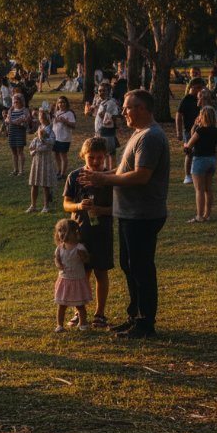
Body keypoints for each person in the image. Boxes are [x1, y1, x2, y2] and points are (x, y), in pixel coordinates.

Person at [79, 89, 170, 339]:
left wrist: (103, 180)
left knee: (141, 268)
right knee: (129, 265)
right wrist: (101, 177)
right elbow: (122, 169)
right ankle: (134, 316)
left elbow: (142, 175)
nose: (123, 112)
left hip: (143, 214)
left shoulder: (151, 136)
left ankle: (145, 322)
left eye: (128, 107)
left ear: (142, 109)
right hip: (130, 213)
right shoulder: (137, 134)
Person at [63, 136, 114, 328]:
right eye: (91, 157)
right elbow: (66, 204)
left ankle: (100, 314)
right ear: (83, 155)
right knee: (81, 275)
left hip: (102, 233)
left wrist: (100, 211)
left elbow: (118, 208)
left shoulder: (110, 178)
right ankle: (79, 311)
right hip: (79, 234)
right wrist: (78, 205)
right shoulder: (74, 176)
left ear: (105, 157)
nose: (95, 162)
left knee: (101, 272)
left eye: (99, 158)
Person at [52, 219, 93, 332]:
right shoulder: (60, 248)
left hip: (77, 280)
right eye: (60, 231)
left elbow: (86, 260)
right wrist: (59, 264)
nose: (62, 233)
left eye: (65, 230)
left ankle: (83, 323)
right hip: (64, 280)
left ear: (75, 233)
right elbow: (57, 259)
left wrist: (84, 256)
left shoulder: (79, 247)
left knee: (80, 305)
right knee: (61, 305)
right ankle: (59, 325)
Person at [183, 106, 217, 223]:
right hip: (211, 160)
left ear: (202, 116)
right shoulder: (216, 130)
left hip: (199, 160)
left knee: (199, 189)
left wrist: (194, 126)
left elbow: (189, 145)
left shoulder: (200, 131)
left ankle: (199, 216)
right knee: (208, 189)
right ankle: (207, 215)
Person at [85, 82, 120, 170]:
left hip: (107, 132)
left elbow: (116, 116)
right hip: (99, 131)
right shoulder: (100, 102)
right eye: (99, 91)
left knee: (110, 154)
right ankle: (104, 171)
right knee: (102, 153)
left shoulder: (111, 103)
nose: (101, 93)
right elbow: (94, 115)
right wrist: (90, 111)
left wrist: (106, 115)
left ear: (109, 91)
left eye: (104, 91)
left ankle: (111, 173)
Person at [175, 78, 204, 184]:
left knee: (200, 152)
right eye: (199, 88)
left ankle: (197, 173)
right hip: (188, 131)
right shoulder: (186, 99)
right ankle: (187, 175)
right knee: (189, 153)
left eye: (201, 88)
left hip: (201, 130)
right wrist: (179, 131)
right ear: (192, 87)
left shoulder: (201, 98)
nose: (201, 90)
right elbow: (178, 115)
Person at [27, 126, 57, 213]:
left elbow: (49, 145)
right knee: (34, 184)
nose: (40, 133)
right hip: (36, 163)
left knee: (45, 184)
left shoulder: (49, 137)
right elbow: (31, 148)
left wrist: (42, 139)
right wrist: (32, 152)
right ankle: (33, 205)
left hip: (46, 162)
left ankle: (46, 206)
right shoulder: (36, 139)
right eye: (40, 132)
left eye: (42, 132)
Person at [52, 96, 76, 178]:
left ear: (66, 103)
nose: (61, 104)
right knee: (56, 154)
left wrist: (65, 121)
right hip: (55, 137)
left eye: (63, 102)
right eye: (59, 102)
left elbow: (73, 125)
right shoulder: (57, 113)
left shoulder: (69, 113)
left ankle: (63, 173)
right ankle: (59, 170)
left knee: (63, 155)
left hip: (64, 138)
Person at [5, 94, 29, 175]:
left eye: (17, 100)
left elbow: (26, 119)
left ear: (21, 101)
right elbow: (7, 120)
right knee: (13, 152)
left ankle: (21, 171)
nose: (16, 101)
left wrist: (14, 121)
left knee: (20, 151)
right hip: (12, 132)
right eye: (14, 100)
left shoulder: (24, 110)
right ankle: (15, 170)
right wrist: (13, 121)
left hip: (20, 132)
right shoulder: (11, 110)